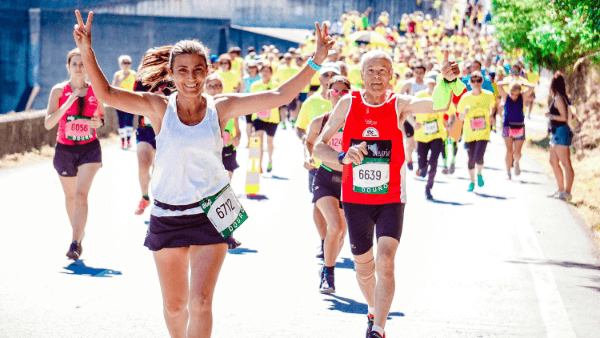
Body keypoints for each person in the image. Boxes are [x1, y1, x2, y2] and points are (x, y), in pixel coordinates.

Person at [72, 11, 334, 337]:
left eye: (198, 70)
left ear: (208, 70)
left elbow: (279, 96)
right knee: (175, 306)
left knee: (201, 303)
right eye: (182, 71)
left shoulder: (221, 107)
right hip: (167, 216)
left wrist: (317, 60)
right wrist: (87, 50)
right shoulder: (158, 108)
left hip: (211, 214)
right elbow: (108, 95)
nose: (192, 78)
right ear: (171, 73)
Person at [313, 50, 461, 338]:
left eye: (383, 71)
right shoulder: (347, 103)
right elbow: (319, 147)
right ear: (361, 75)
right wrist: (343, 155)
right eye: (370, 70)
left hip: (391, 197)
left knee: (386, 259)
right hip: (355, 199)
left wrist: (446, 82)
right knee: (364, 269)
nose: (376, 76)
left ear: (392, 76)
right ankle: (373, 310)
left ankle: (378, 329)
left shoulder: (398, 104)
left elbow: (438, 105)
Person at [44, 47, 105, 260]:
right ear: (68, 67)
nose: (79, 68)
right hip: (65, 149)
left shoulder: (96, 90)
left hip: (89, 148)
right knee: (70, 197)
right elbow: (48, 123)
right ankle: (79, 232)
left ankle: (75, 243)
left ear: (87, 68)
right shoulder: (59, 91)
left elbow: (102, 118)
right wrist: (67, 104)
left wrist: (99, 122)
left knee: (80, 195)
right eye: (75, 64)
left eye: (82, 64)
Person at [304, 75, 350, 293]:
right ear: (328, 94)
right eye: (335, 91)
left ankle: (327, 265)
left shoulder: (357, 122)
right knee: (336, 226)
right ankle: (328, 275)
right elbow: (309, 142)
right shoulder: (321, 121)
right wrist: (307, 156)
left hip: (350, 182)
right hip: (325, 177)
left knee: (341, 234)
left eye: (344, 92)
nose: (339, 95)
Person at [296, 62, 340, 259]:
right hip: (317, 162)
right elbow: (300, 127)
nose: (329, 77)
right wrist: (307, 142)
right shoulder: (311, 103)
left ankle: (335, 238)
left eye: (334, 74)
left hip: (341, 163)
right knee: (317, 203)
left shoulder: (348, 102)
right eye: (325, 75)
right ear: (320, 79)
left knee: (340, 208)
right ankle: (324, 241)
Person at [205, 73, 243, 250]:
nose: (214, 89)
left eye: (217, 86)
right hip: (207, 154)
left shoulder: (229, 106)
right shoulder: (200, 106)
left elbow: (238, 131)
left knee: (224, 190)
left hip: (227, 152)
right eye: (210, 86)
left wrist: (236, 139)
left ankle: (229, 234)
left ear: (222, 88)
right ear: (205, 87)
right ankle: (207, 230)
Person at [457, 71, 495, 192]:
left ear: (482, 81)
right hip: (469, 132)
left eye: (478, 80)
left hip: (483, 132)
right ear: (470, 82)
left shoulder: (488, 95)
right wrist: (464, 113)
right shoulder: (465, 98)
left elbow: (494, 108)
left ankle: (479, 174)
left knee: (479, 156)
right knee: (471, 159)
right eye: (473, 80)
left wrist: (491, 115)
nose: (476, 83)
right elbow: (460, 118)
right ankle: (472, 182)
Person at [414, 78, 447, 199]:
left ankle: (428, 187)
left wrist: (450, 122)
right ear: (426, 83)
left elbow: (452, 112)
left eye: (435, 83)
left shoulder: (442, 96)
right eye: (430, 82)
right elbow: (408, 111)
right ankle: (422, 169)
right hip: (422, 134)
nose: (433, 85)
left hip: (437, 134)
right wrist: (413, 123)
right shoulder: (419, 95)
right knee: (422, 164)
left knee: (434, 161)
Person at [495, 78, 535, 179]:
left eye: (516, 94)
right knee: (509, 151)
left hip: (519, 126)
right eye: (512, 93)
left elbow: (532, 87)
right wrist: (509, 83)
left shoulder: (522, 96)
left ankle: (516, 162)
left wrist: (522, 83)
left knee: (517, 152)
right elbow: (498, 84)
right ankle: (508, 172)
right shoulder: (506, 96)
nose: (514, 96)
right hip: (507, 125)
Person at [546, 72, 574, 201]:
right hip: (556, 133)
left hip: (560, 132)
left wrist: (550, 116)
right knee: (553, 161)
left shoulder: (559, 98)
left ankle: (567, 192)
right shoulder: (563, 97)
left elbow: (563, 117)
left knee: (566, 163)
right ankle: (561, 189)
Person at [250, 63, 280, 173]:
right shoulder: (255, 85)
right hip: (258, 117)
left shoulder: (276, 85)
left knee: (270, 142)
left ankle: (270, 161)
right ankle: (259, 164)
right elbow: (251, 100)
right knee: (259, 140)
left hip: (272, 117)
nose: (265, 73)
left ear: (271, 73)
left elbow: (279, 99)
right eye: (263, 71)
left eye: (267, 71)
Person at [399, 63, 428, 170]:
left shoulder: (427, 84)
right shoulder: (408, 84)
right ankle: (409, 159)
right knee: (410, 142)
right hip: (410, 117)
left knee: (421, 142)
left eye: (421, 73)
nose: (418, 75)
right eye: (416, 72)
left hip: (423, 116)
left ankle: (422, 162)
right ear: (413, 73)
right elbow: (399, 97)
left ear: (424, 73)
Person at [112, 55, 136, 149]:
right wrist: (122, 78)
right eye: (124, 63)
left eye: (128, 63)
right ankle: (122, 142)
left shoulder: (134, 74)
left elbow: (136, 88)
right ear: (120, 64)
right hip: (119, 101)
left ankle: (129, 141)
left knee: (129, 121)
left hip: (131, 101)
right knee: (121, 121)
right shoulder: (118, 74)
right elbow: (113, 88)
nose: (126, 65)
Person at [241, 60, 261, 145]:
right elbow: (242, 91)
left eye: (253, 67)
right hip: (247, 103)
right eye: (250, 67)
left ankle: (255, 142)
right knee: (248, 123)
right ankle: (249, 141)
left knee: (256, 124)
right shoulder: (245, 79)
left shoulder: (260, 78)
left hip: (258, 103)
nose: (252, 69)